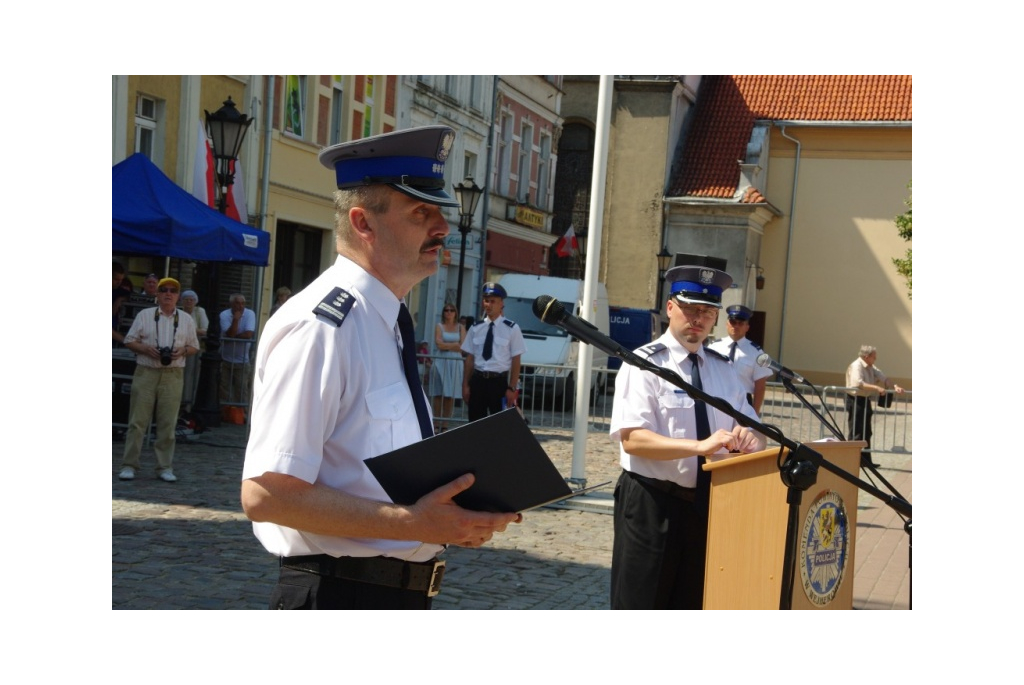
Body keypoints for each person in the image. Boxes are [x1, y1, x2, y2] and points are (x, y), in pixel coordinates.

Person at [240, 125, 520, 610]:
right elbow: (267, 495)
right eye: (421, 212)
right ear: (363, 223)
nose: (442, 227)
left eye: (440, 212)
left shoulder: (385, 320)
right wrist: (414, 523)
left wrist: (452, 515)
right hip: (337, 596)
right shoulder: (323, 327)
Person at [609, 264, 766, 609]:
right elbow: (633, 439)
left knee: (695, 602)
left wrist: (752, 437)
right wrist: (699, 447)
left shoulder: (722, 370)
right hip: (653, 502)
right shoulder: (643, 364)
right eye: (690, 309)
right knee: (642, 603)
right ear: (669, 308)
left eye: (707, 312)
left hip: (709, 505)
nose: (698, 319)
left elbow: (755, 427)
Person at [118, 277, 200, 482]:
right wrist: (146, 349)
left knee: (167, 423)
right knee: (137, 421)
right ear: (157, 294)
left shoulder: (186, 319)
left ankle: (164, 467)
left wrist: (182, 350)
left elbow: (194, 346)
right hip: (146, 371)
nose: (168, 293)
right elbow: (129, 340)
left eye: (173, 290)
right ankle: (129, 465)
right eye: (164, 290)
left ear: (178, 296)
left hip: (173, 374)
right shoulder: (145, 315)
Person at [461, 282, 526, 422]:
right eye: (486, 301)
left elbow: (516, 360)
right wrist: (465, 384)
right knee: (475, 424)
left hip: (499, 383)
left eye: (492, 301)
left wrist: (512, 387)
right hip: (478, 381)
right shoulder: (475, 328)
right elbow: (470, 358)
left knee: (500, 425)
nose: (488, 305)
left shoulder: (511, 328)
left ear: (501, 303)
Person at [845, 344, 905, 468]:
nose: (875, 359)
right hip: (855, 399)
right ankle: (852, 461)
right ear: (867, 357)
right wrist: (876, 387)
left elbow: (884, 378)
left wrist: (895, 386)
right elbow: (858, 383)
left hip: (865, 399)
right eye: (874, 357)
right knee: (856, 431)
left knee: (867, 431)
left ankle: (866, 462)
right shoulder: (856, 366)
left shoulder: (871, 366)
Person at [708, 304, 772, 414]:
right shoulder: (713, 347)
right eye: (733, 322)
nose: (736, 326)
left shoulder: (757, 352)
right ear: (727, 324)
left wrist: (755, 414)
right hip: (717, 397)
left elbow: (760, 386)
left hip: (743, 402)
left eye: (740, 323)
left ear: (747, 327)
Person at [429, 304, 466, 431]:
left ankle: (445, 424)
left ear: (456, 313)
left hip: (454, 362)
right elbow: (439, 344)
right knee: (438, 394)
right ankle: (436, 422)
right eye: (446, 310)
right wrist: (454, 345)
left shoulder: (461, 327)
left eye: (451, 310)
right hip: (441, 361)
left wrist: (449, 345)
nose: (449, 312)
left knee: (450, 395)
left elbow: (463, 346)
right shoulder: (439, 326)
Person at [219, 293, 256, 410]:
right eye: (237, 303)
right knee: (224, 388)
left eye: (242, 303)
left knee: (241, 388)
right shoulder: (224, 314)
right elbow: (230, 334)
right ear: (231, 304)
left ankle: (241, 414)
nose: (240, 306)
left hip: (242, 360)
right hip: (225, 358)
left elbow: (249, 334)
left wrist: (234, 337)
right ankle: (226, 412)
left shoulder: (250, 314)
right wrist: (236, 319)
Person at [179, 289, 209, 413]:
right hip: (180, 349)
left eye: (192, 300)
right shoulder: (179, 311)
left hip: (194, 349)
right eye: (186, 299)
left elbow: (205, 330)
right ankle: (179, 403)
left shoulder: (199, 311)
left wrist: (189, 330)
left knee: (191, 377)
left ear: (195, 302)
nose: (189, 302)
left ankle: (188, 405)